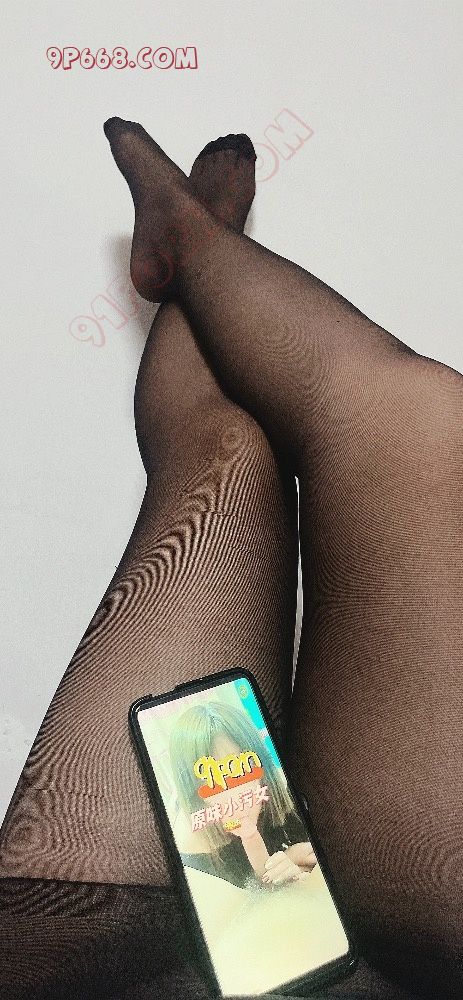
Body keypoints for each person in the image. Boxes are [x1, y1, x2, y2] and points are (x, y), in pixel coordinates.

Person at [0, 121, 462, 1000]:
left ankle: (191, 249)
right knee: (432, 422)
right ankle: (195, 246)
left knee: (227, 457)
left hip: (105, 972)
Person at [167, 700, 316, 889]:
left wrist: (301, 865)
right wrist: (288, 861)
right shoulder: (192, 849)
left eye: (242, 767)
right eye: (212, 778)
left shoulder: (279, 788)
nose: (235, 793)